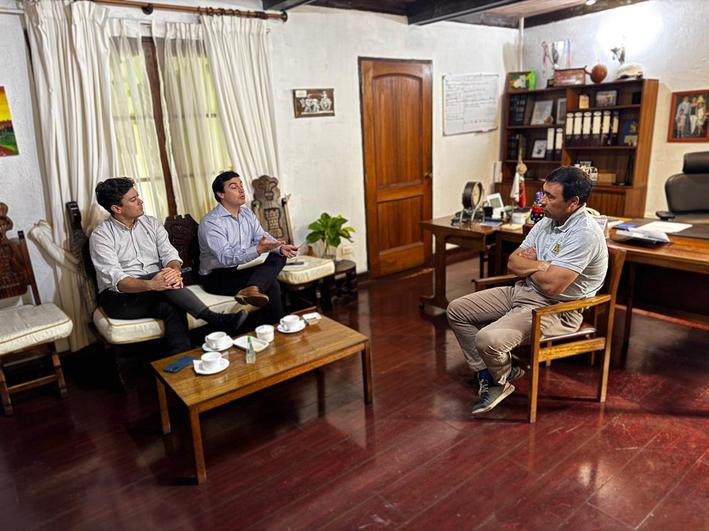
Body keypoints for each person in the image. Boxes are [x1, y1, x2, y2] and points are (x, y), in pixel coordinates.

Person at [447, 166, 608, 415]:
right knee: (457, 310)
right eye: (543, 193)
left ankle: (497, 379)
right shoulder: (547, 221)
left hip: (556, 308)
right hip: (524, 291)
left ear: (573, 202)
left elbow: (552, 285)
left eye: (550, 197)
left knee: (487, 339)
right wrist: (543, 266)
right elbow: (513, 262)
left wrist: (531, 265)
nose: (542, 201)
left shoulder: (585, 234)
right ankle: (494, 374)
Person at [89, 178, 248, 357]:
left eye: (138, 196)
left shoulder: (151, 223)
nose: (141, 201)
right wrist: (152, 284)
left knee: (172, 306)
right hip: (120, 298)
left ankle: (181, 360)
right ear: (117, 208)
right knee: (162, 280)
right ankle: (215, 319)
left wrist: (174, 271)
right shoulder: (101, 236)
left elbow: (170, 255)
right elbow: (117, 280)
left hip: (157, 291)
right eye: (133, 199)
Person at [198, 171, 299, 327]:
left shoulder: (246, 213)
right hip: (217, 277)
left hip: (239, 269)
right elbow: (226, 257)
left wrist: (279, 247)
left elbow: (261, 236)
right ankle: (277, 330)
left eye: (241, 185)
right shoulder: (211, 222)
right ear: (221, 194)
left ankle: (253, 290)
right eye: (234, 187)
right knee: (272, 285)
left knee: (279, 255)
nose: (241, 190)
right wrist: (258, 249)